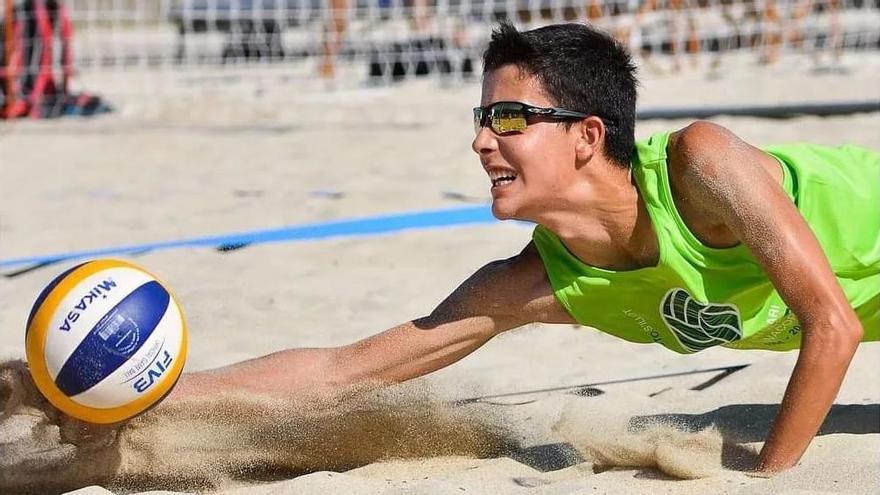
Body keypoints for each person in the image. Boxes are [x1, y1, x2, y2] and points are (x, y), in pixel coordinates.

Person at [178, 21, 879, 473]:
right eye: (482, 117)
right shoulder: (539, 281)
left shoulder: (702, 166)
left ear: (587, 136)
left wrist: (768, 475)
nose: (482, 139)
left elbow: (834, 324)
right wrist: (158, 401)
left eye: (509, 117)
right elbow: (341, 372)